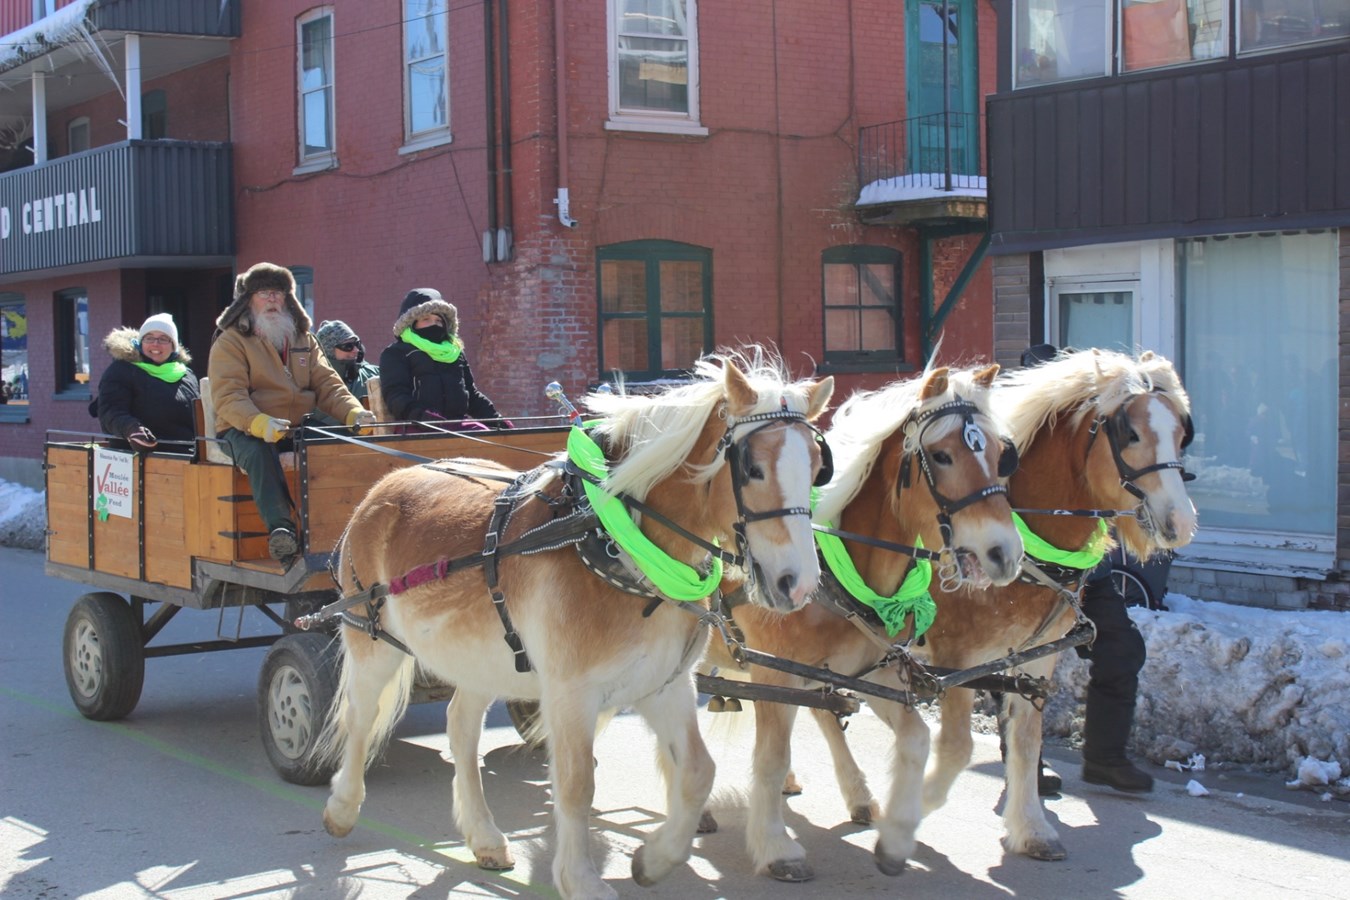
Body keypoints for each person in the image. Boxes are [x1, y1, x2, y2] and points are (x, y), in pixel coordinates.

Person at [1017, 342, 1154, 795]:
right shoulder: (1017, 442)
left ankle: (1105, 758)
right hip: (1025, 577)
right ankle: (1025, 765)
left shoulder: (1094, 438)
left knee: (1121, 648)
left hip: (1085, 575)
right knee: (1019, 667)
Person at [208, 262, 375, 561]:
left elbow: (327, 384)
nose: (272, 300)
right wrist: (259, 423)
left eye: (278, 293)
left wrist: (353, 413)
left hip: (295, 425)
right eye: (263, 293)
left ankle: (348, 525)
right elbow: (228, 397)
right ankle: (281, 530)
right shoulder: (230, 341)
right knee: (260, 455)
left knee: (343, 445)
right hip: (243, 428)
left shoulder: (302, 338)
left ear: (288, 299)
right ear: (247, 300)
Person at [378, 288, 511, 429]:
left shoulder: (454, 352)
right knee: (480, 436)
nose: (434, 325)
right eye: (426, 319)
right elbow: (396, 396)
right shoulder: (396, 353)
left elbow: (471, 395)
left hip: (456, 424)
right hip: (416, 427)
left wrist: (497, 421)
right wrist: (427, 419)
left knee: (494, 437)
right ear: (411, 323)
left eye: (438, 320)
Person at [92, 313, 200, 453]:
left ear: (173, 346)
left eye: (163, 339)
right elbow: (110, 411)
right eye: (149, 338)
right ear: (140, 342)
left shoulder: (187, 375)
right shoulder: (121, 370)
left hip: (187, 456)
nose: (155, 343)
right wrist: (132, 430)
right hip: (139, 456)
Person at [316, 319, 379, 400]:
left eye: (357, 344)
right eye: (348, 346)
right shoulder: (312, 385)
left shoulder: (376, 375)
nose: (356, 350)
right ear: (328, 351)